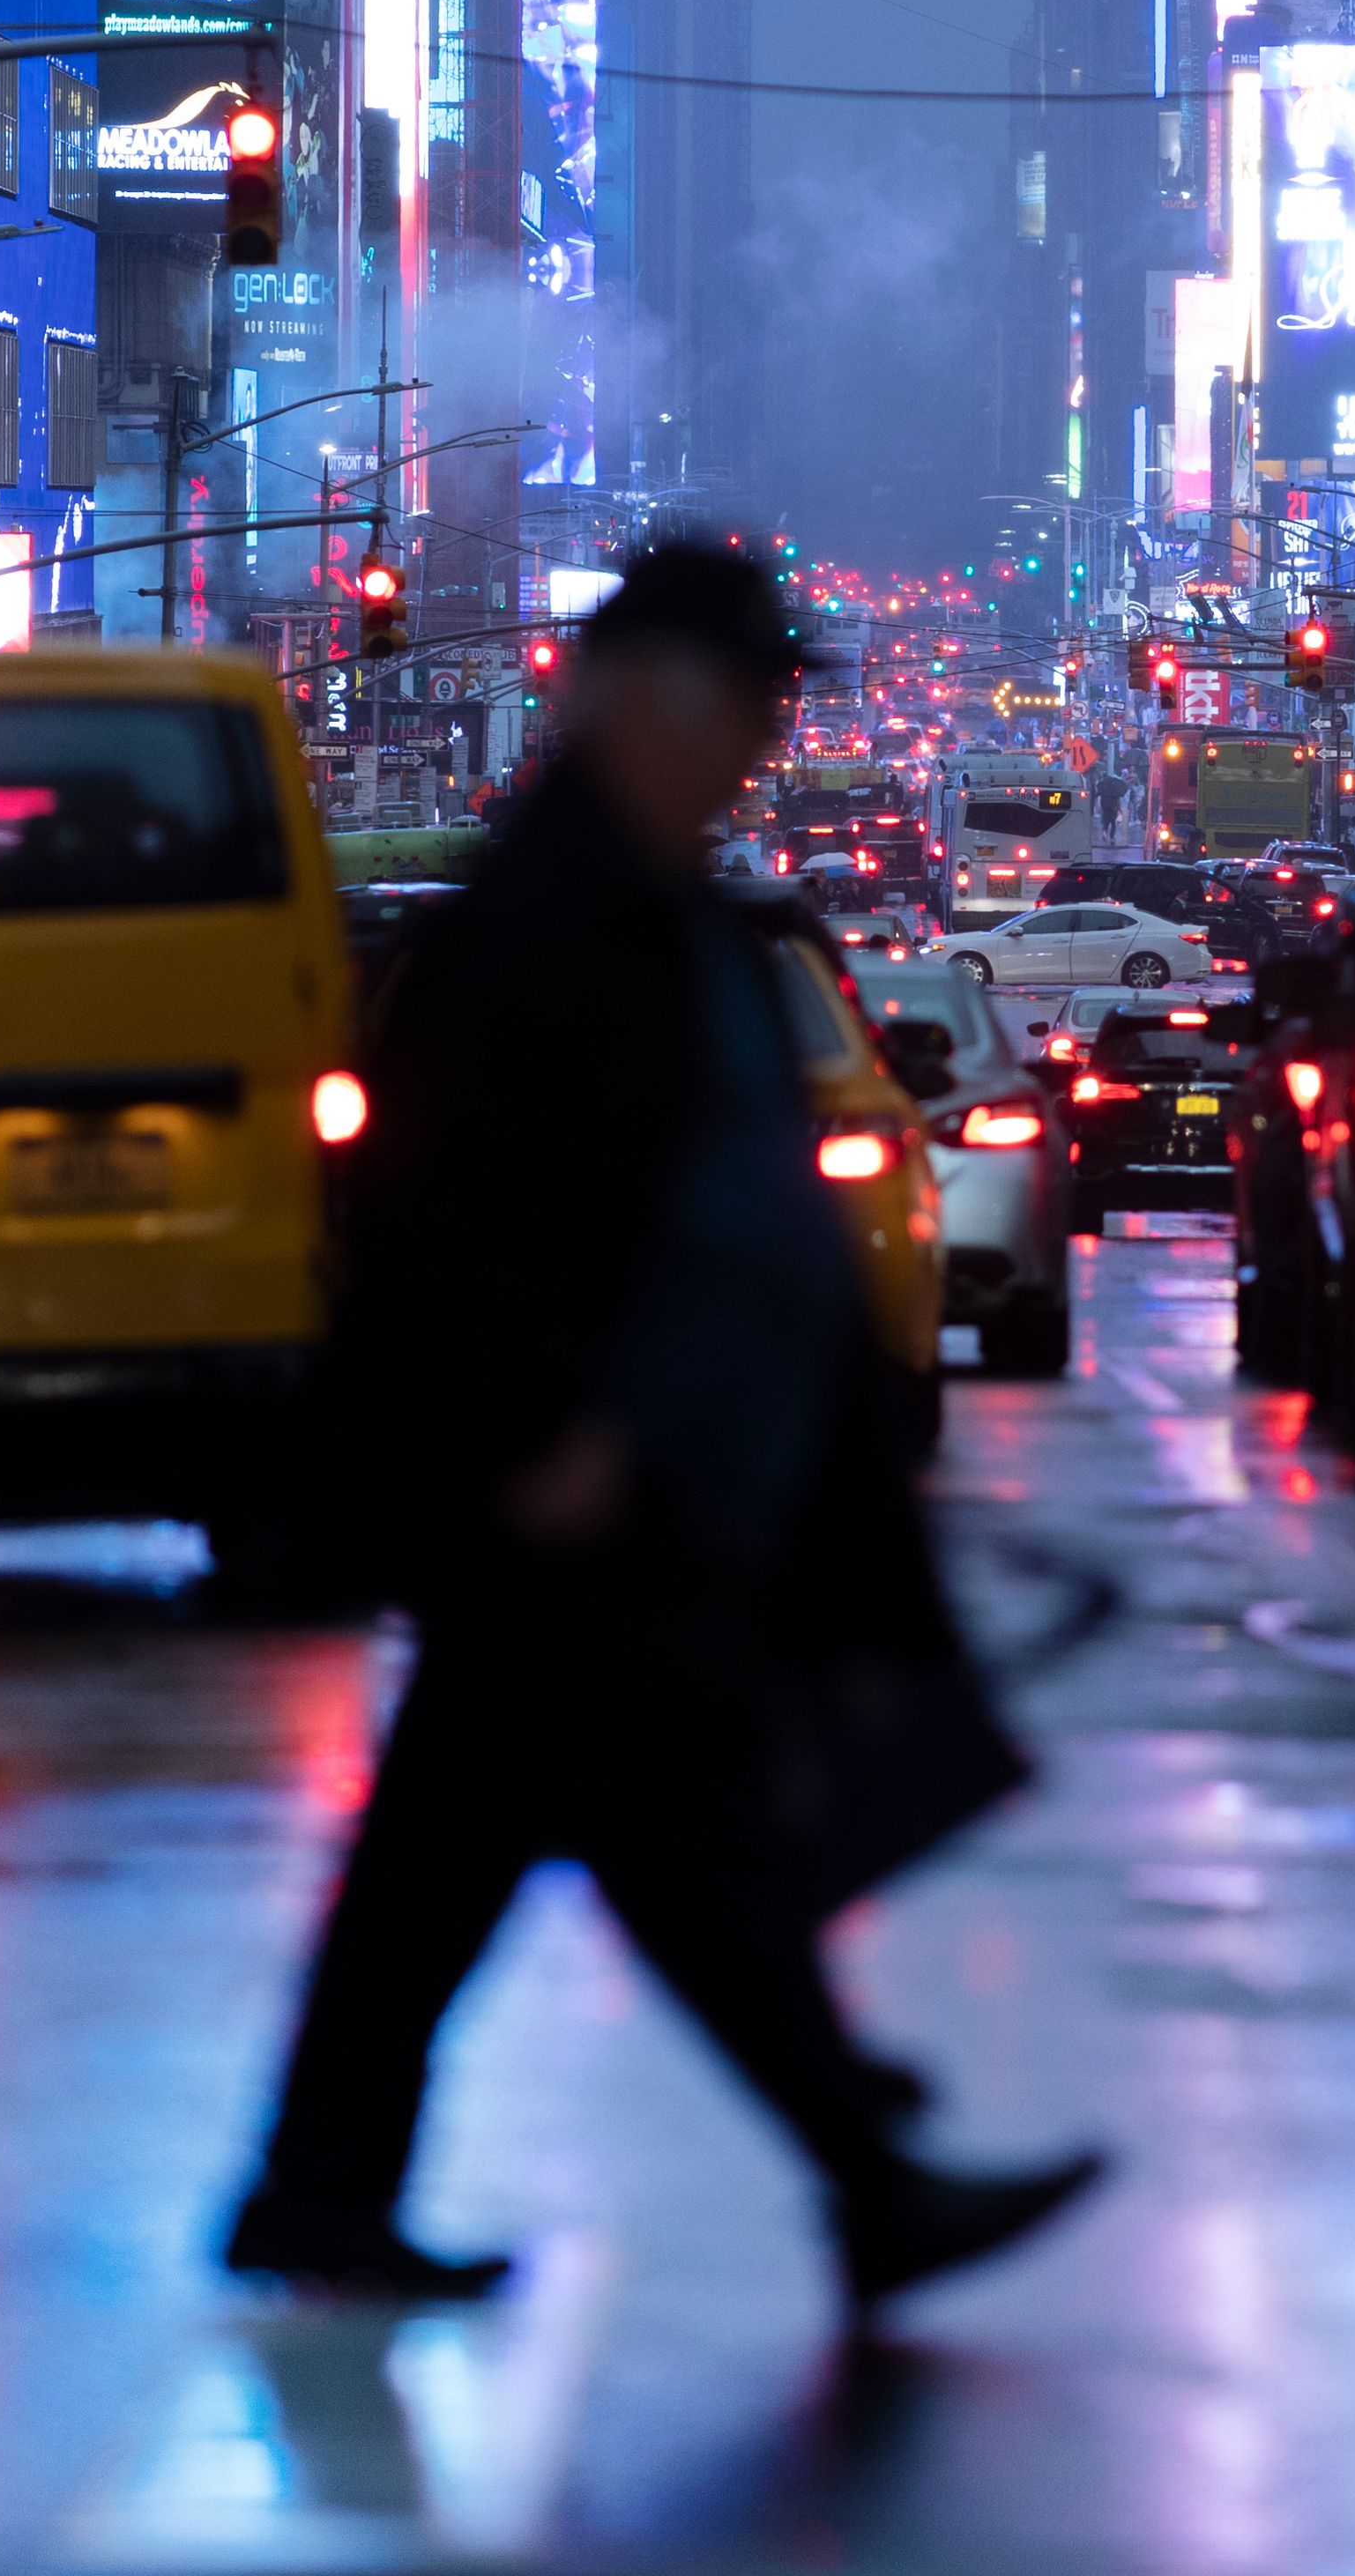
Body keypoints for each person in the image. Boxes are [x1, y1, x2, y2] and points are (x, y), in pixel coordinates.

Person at [228, 541, 1103, 2313]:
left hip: (640, 1486)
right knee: (609, 1856)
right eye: (747, 703)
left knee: (571, 1855)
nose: (765, 742)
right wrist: (546, 1436)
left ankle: (336, 2190)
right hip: (575, 1493)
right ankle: (857, 2172)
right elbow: (444, 1213)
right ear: (637, 701)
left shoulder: (653, 907)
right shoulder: (550, 925)